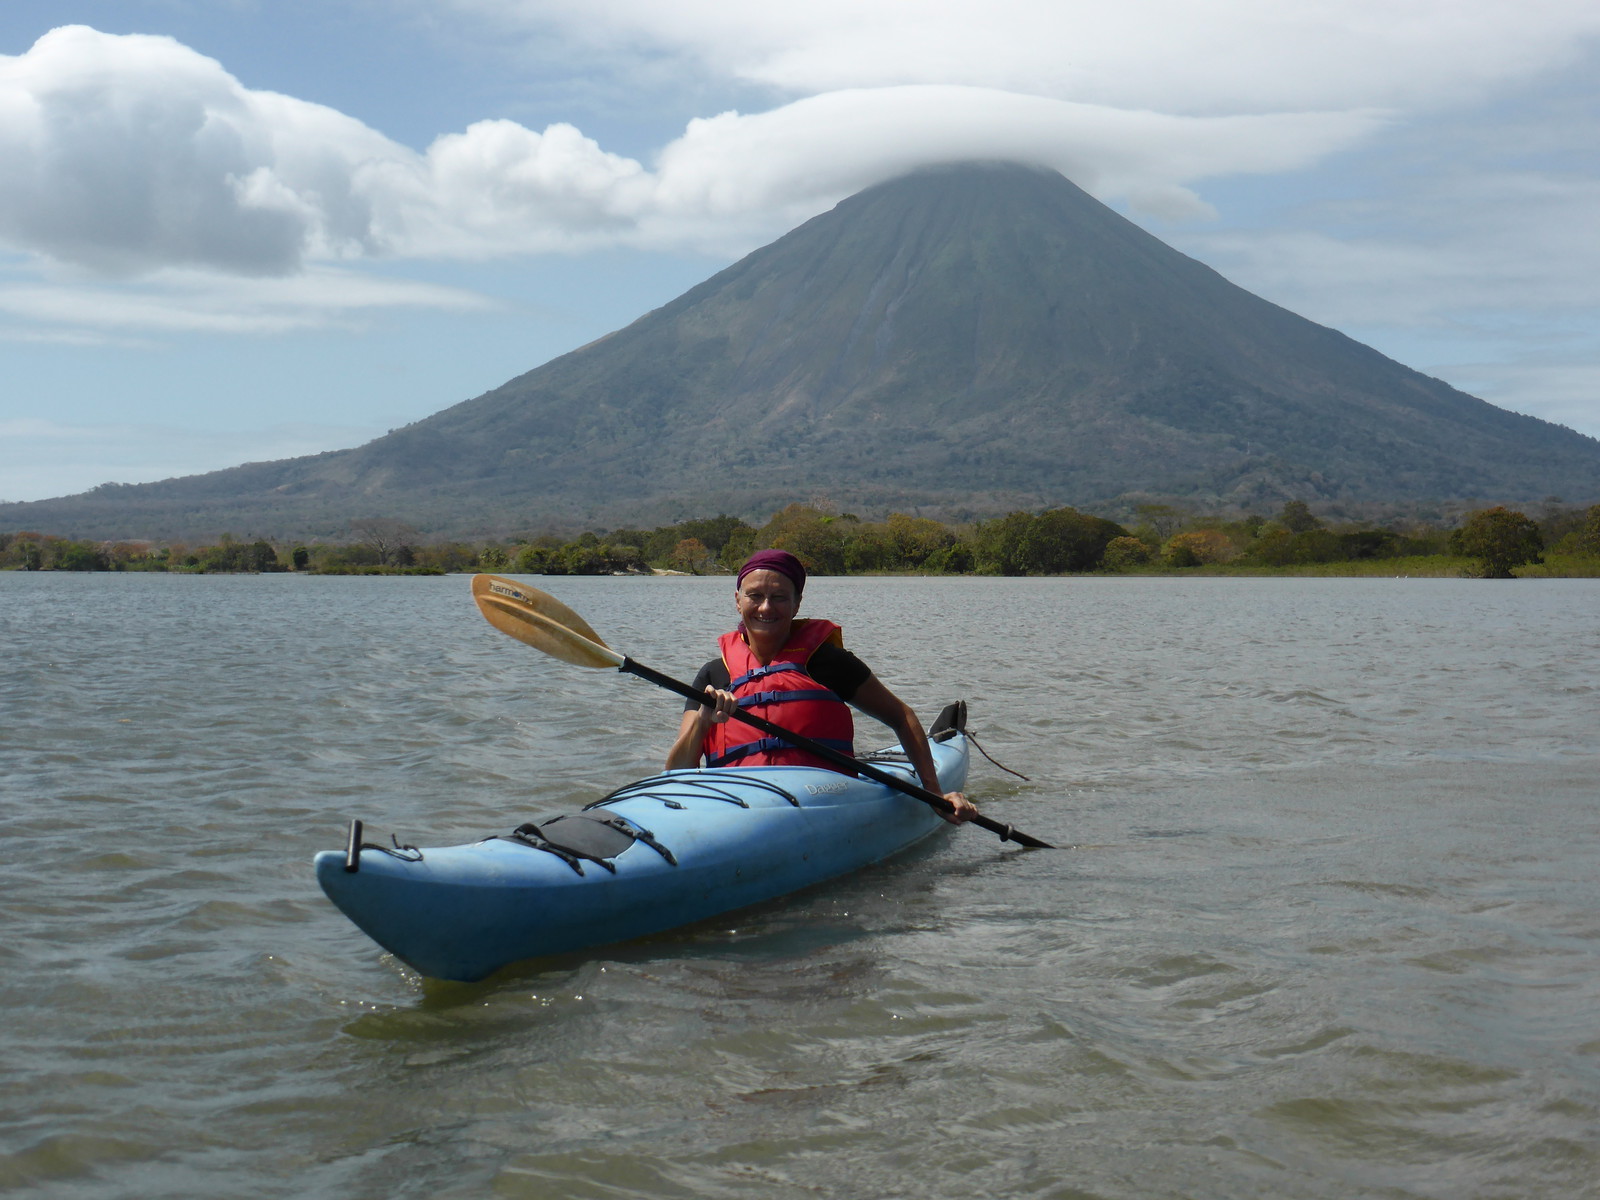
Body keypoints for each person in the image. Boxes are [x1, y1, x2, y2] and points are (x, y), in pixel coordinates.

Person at [665, 549, 978, 824]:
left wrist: (934, 793)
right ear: (737, 601)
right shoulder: (713, 675)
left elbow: (901, 716)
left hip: (820, 801)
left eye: (779, 598)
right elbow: (677, 771)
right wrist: (702, 722)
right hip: (734, 805)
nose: (765, 608)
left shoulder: (827, 662)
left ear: (797, 604)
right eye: (755, 596)